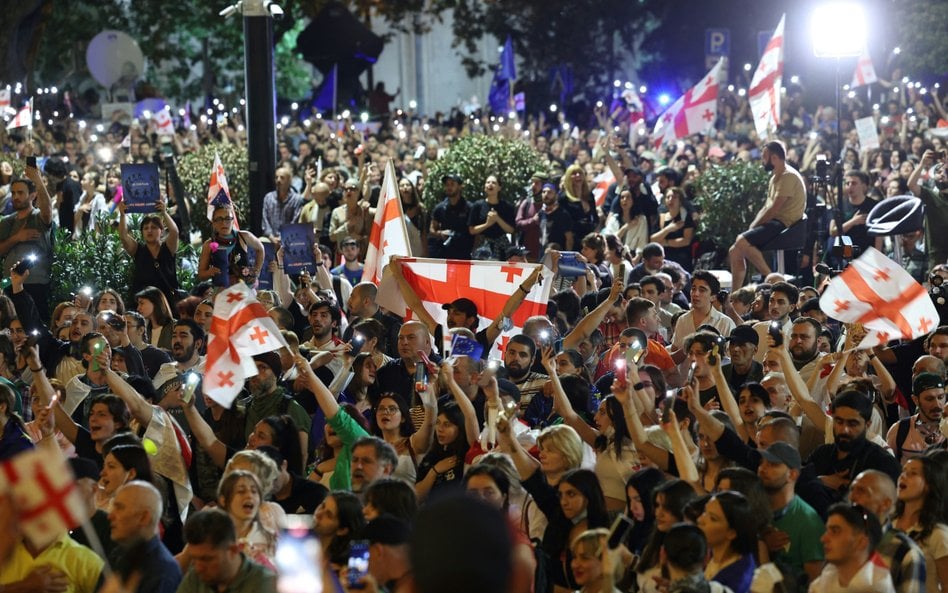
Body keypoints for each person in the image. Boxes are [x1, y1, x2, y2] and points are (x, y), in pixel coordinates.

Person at [728, 141, 805, 289]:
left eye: (764, 157)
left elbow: (773, 209)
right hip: (776, 221)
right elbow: (766, 207)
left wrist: (753, 227)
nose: (762, 160)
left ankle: (772, 280)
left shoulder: (788, 176)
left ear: (774, 158)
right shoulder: (775, 177)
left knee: (742, 242)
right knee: (734, 250)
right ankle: (734, 294)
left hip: (784, 224)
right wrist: (753, 226)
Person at [847, 470, 928, 593]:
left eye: (862, 491)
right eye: (852, 489)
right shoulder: (841, 540)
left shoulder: (905, 552)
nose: (852, 497)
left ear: (885, 504)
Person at [757, 441, 825, 586]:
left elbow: (815, 584)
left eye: (772, 465)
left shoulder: (808, 522)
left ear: (792, 474)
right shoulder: (756, 509)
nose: (762, 469)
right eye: (762, 463)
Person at [0, 159, 54, 321]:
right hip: (10, 285)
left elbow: (47, 209)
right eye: (13, 193)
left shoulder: (39, 217)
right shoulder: (6, 221)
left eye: (20, 193)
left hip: (35, 284)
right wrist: (17, 237)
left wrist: (37, 179)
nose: (15, 197)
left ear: (32, 195)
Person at [176, 508, 276, 593]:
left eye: (206, 559)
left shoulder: (265, 584)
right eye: (194, 559)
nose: (198, 568)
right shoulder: (196, 578)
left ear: (234, 550)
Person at [108, 481, 182, 593]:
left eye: (120, 508)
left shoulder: (162, 572)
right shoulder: (119, 555)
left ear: (144, 517)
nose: (110, 516)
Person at [809, 502, 895, 593]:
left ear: (861, 542)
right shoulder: (822, 583)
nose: (823, 539)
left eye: (835, 531)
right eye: (827, 531)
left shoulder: (876, 589)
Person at [892, 454, 948, 592]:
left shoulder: (938, 535)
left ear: (928, 485)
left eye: (913, 473)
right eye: (903, 471)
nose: (903, 476)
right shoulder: (888, 524)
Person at [119, 199, 179, 308]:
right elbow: (123, 236)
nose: (149, 231)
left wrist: (164, 212)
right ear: (142, 232)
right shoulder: (138, 249)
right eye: (146, 228)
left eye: (154, 227)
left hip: (166, 304)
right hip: (142, 303)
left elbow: (174, 232)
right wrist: (122, 215)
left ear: (162, 231)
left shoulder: (168, 248)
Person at [696, 491, 758, 593]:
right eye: (704, 512)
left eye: (712, 518)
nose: (700, 520)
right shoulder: (709, 552)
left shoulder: (738, 579)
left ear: (731, 533)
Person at [197, 205, 264, 288]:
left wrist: (257, 271)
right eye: (219, 219)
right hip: (222, 292)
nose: (224, 223)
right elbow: (201, 275)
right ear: (213, 223)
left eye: (228, 218)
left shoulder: (244, 236)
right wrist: (210, 272)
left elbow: (260, 249)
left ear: (233, 221)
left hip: (246, 290)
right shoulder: (209, 245)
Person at [887, 372, 946, 463]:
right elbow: (890, 467)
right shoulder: (900, 430)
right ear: (915, 400)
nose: (937, 405)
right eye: (929, 399)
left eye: (941, 397)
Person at [468, 174, 516, 260]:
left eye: (494, 183)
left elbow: (511, 230)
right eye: (488, 182)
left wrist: (497, 219)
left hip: (501, 247)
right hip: (482, 247)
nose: (490, 184)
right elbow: (472, 230)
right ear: (485, 187)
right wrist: (487, 224)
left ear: (499, 188)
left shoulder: (507, 207)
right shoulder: (477, 205)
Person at [314, 491, 365, 571]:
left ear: (342, 530)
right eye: (322, 506)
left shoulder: (350, 565)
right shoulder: (300, 541)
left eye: (329, 515)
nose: (318, 514)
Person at [429, 173, 474, 259]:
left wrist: (474, 251)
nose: (449, 187)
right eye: (447, 185)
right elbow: (432, 229)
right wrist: (440, 233)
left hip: (465, 254)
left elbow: (477, 234)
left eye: (452, 184)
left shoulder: (469, 207)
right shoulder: (440, 208)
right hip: (445, 254)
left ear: (460, 186)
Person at [651, 187, 696, 271]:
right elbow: (653, 239)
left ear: (680, 201)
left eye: (674, 197)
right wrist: (668, 229)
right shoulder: (661, 217)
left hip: (682, 260)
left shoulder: (685, 217)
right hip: (663, 260)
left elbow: (686, 241)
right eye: (668, 197)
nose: (671, 199)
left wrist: (665, 242)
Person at [261, 166, 303, 244]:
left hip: (290, 238)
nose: (278, 180)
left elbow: (295, 222)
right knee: (260, 242)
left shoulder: (297, 199)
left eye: (282, 178)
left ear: (289, 180)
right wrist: (272, 237)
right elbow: (265, 221)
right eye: (276, 177)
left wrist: (282, 238)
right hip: (271, 238)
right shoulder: (268, 197)